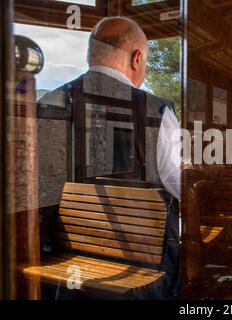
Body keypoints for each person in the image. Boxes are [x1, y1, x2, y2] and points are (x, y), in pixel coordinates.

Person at [38, 16, 182, 299]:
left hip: (60, 272)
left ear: (92, 55)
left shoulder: (46, 105)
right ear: (137, 57)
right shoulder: (156, 111)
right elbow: (179, 184)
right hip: (141, 275)